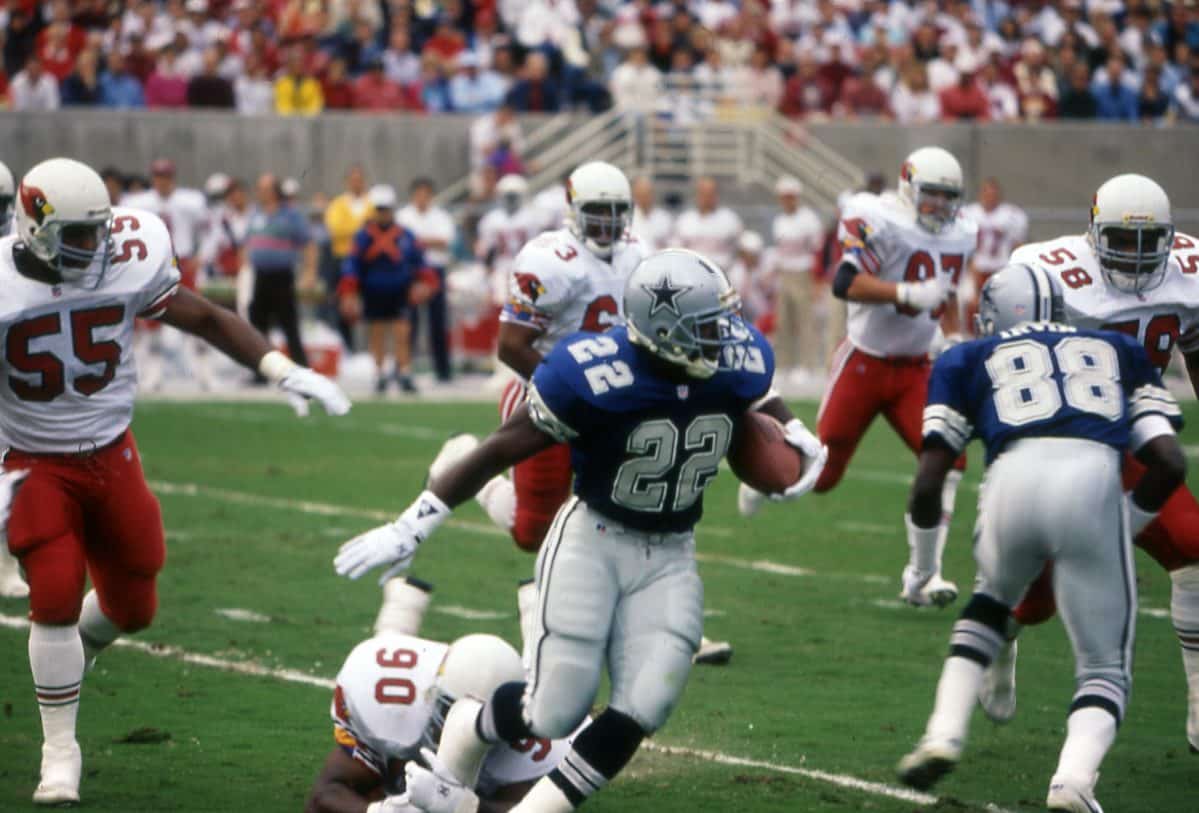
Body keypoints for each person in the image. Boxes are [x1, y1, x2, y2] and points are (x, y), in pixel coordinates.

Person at [333, 248, 827, 813]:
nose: (727, 336)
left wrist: (796, 433)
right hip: (593, 539)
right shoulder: (593, 372)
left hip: (671, 553)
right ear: (666, 333)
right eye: (708, 327)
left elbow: (758, 396)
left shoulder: (737, 357)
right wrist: (413, 523)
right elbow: (499, 448)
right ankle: (467, 732)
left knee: (645, 705)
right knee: (555, 710)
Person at [0, 157, 349, 806]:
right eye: (78, 235)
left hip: (111, 449)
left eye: (100, 231)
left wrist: (278, 367)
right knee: (52, 583)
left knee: (136, 601)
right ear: (36, 228)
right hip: (32, 459)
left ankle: (72, 649)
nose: (95, 247)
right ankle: (59, 751)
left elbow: (205, 317)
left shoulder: (126, 253)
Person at [896, 263, 1185, 813]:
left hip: (1010, 481)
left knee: (987, 605)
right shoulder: (1113, 349)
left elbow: (929, 480)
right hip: (1091, 475)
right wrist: (1125, 527)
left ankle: (942, 734)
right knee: (1102, 667)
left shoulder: (966, 356)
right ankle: (1072, 781)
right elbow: (1169, 463)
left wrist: (923, 562)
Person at [987, 174, 1199, 754]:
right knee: (1041, 597)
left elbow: (1195, 349)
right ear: (1093, 228)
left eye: (1149, 240)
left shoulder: (1188, 271)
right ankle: (1004, 631)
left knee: (1194, 547)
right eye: (1122, 241)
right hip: (1066, 440)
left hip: (1136, 439)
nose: (1136, 256)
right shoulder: (1047, 271)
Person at [743, 147, 977, 609]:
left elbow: (944, 294)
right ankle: (762, 474)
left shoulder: (962, 232)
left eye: (948, 198)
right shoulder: (876, 216)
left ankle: (922, 577)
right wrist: (904, 292)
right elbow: (844, 282)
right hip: (864, 363)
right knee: (820, 475)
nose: (939, 207)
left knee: (949, 462)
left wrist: (953, 337)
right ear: (909, 188)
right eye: (930, 196)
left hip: (915, 368)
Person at [306, 578, 582, 813]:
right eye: (450, 710)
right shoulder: (385, 703)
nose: (462, 731)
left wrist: (464, 806)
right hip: (416, 675)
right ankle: (402, 606)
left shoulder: (541, 746)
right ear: (431, 694)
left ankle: (535, 609)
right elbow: (322, 798)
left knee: (542, 672)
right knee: (385, 644)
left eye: (481, 723)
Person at [338, 184, 428, 395]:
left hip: (400, 290)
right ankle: (379, 374)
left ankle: (404, 372)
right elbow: (352, 263)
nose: (383, 213)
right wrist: (349, 291)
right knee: (377, 333)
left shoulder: (405, 235)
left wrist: (424, 282)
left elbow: (419, 261)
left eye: (386, 209)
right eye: (379, 209)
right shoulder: (363, 236)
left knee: (402, 333)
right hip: (373, 291)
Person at [245, 173, 315, 371]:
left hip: (282, 276)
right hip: (260, 275)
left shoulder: (290, 214)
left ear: (275, 191)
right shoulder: (256, 213)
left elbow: (308, 244)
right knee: (258, 323)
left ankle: (301, 367)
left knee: (288, 323)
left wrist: (309, 272)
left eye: (266, 189)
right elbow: (247, 242)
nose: (261, 193)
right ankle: (260, 369)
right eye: (260, 189)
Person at [398, 178, 456, 383]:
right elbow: (401, 243)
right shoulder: (404, 216)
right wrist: (425, 242)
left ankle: (443, 370)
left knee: (437, 322)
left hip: (434, 270)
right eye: (419, 194)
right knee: (408, 322)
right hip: (411, 272)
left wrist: (418, 241)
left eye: (426, 194)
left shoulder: (440, 216)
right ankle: (404, 369)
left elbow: (445, 241)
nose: (422, 198)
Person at [770, 175, 825, 384]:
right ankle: (784, 364)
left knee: (805, 320)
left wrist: (816, 280)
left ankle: (806, 364)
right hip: (784, 272)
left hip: (803, 272)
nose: (787, 201)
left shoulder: (808, 219)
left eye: (790, 197)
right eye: (783, 197)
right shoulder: (779, 220)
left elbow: (817, 251)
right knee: (783, 320)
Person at [960, 178, 1029, 331]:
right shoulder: (968, 213)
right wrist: (971, 271)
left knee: (1006, 306)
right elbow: (964, 250)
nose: (990, 197)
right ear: (980, 195)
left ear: (999, 196)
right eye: (986, 193)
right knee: (968, 302)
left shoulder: (1012, 215)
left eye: (993, 193)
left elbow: (1019, 247)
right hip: (975, 268)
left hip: (1001, 268)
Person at [671, 177, 742, 270]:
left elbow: (741, 250)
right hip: (691, 274)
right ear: (697, 195)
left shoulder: (730, 220)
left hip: (723, 274)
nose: (707, 198)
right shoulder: (685, 220)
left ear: (717, 195)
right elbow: (676, 251)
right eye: (704, 193)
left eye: (710, 193)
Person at [629, 175, 673, 252]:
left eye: (647, 194)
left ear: (653, 194)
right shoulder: (626, 219)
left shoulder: (664, 219)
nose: (644, 198)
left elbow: (671, 245)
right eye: (641, 195)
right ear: (634, 195)